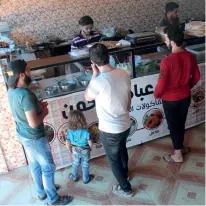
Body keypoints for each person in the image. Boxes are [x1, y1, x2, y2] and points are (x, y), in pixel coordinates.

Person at [6, 59, 73, 205]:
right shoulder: (26, 95)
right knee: (48, 167)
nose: (30, 72)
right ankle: (53, 199)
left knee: (35, 165)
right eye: (28, 70)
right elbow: (33, 122)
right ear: (21, 75)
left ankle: (41, 192)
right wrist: (43, 112)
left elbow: (23, 112)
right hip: (34, 137)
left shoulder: (11, 90)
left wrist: (37, 108)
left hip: (23, 135)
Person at [84, 44, 133, 197]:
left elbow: (86, 98)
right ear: (109, 56)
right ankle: (126, 174)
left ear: (93, 62)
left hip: (110, 130)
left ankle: (126, 188)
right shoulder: (123, 73)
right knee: (122, 149)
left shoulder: (97, 82)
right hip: (125, 124)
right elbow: (128, 95)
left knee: (114, 160)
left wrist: (93, 75)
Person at [154, 26, 200, 163]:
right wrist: (187, 86)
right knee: (180, 123)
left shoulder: (166, 61)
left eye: (166, 39)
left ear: (172, 41)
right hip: (185, 96)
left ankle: (178, 154)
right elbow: (196, 76)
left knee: (173, 125)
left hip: (170, 99)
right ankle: (180, 147)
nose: (165, 42)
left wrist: (156, 95)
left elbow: (161, 84)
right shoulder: (190, 56)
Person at [62, 110, 94, 184]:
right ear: (82, 120)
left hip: (74, 149)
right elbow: (90, 142)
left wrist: (69, 149)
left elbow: (67, 142)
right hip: (85, 149)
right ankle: (86, 179)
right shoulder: (86, 131)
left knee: (75, 163)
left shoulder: (69, 132)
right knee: (85, 164)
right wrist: (91, 148)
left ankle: (74, 177)